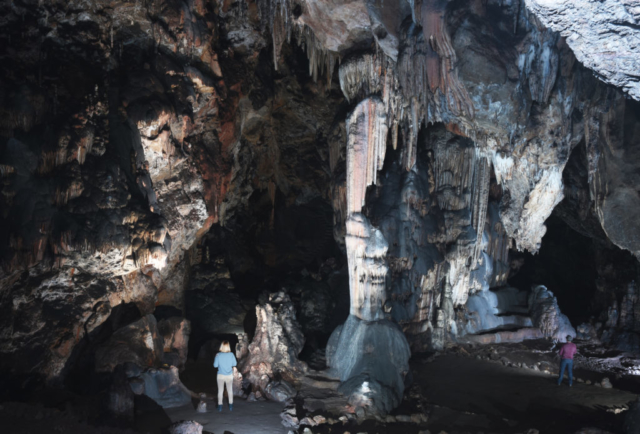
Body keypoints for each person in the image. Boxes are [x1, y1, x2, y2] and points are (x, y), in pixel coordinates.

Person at [214, 341, 237, 411]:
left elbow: (215, 365)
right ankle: (231, 406)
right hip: (229, 375)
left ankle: (220, 407)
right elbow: (234, 364)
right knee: (230, 391)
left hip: (220, 375)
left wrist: (216, 357)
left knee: (220, 391)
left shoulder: (218, 355)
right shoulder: (231, 354)